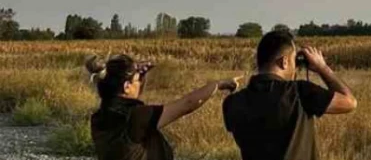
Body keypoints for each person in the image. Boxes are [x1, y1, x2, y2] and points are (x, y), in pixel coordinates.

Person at [222, 30, 357, 160]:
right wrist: (322, 67)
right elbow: (349, 102)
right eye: (294, 61)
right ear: (284, 62)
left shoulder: (232, 103)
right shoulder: (300, 92)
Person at [86, 55, 241, 160]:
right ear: (126, 86)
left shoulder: (99, 118)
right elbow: (188, 104)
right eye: (137, 80)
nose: (140, 82)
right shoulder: (138, 116)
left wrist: (139, 76)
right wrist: (218, 84)